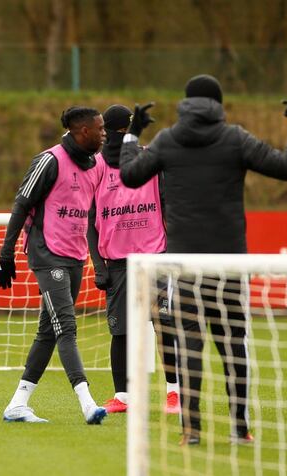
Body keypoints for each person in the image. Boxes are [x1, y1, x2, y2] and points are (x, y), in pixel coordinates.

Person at [120, 74, 287, 445]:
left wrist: (131, 134)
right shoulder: (234, 138)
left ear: (186, 103)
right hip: (230, 264)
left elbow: (129, 175)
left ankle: (191, 430)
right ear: (218, 103)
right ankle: (240, 427)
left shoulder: (169, 139)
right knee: (234, 344)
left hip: (184, 265)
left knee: (190, 343)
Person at [0, 106, 107, 425]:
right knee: (66, 327)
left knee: (48, 331)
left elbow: (90, 212)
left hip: (74, 255)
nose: (103, 134)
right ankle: (87, 403)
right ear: (82, 131)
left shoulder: (96, 164)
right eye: (99, 129)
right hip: (46, 254)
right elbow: (22, 204)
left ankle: (17, 404)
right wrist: (6, 253)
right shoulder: (50, 160)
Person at [86, 104, 179, 414]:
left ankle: (174, 393)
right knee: (120, 330)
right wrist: (99, 265)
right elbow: (89, 220)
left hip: (153, 256)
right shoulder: (95, 166)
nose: (109, 136)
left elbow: (167, 202)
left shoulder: (150, 158)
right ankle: (123, 396)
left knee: (164, 323)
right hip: (117, 261)